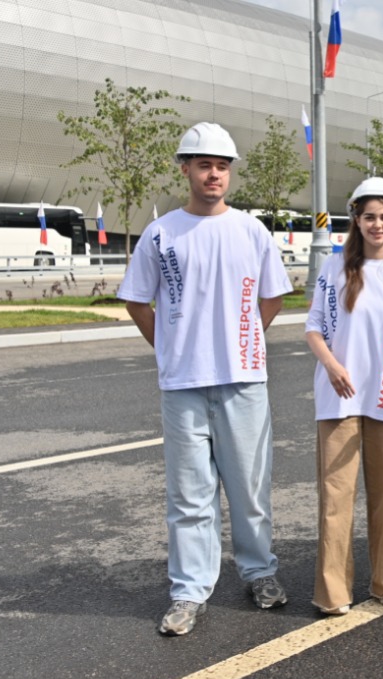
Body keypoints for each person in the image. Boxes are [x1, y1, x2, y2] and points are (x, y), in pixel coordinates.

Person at [120, 122, 293, 636]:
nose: (213, 174)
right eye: (203, 165)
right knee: (189, 494)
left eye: (221, 166)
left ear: (229, 172)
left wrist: (245, 340)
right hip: (183, 385)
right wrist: (170, 347)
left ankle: (259, 572)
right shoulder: (161, 233)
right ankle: (189, 590)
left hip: (244, 380)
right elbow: (137, 300)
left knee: (249, 488)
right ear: (185, 170)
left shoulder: (251, 231)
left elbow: (272, 296)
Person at [305, 177, 383, 616]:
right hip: (339, 397)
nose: (377, 224)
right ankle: (332, 592)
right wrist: (332, 366)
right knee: (336, 495)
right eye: (369, 216)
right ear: (356, 220)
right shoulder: (333, 268)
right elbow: (313, 328)